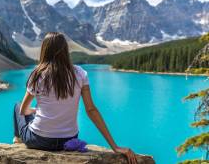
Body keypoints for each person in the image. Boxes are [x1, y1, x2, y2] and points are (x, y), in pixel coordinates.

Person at [13, 32, 137, 164]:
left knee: (17, 106)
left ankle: (17, 140)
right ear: (65, 50)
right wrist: (115, 147)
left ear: (45, 50)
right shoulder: (80, 73)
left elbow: (23, 111)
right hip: (68, 140)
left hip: (39, 140)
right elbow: (91, 110)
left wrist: (35, 111)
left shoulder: (37, 74)